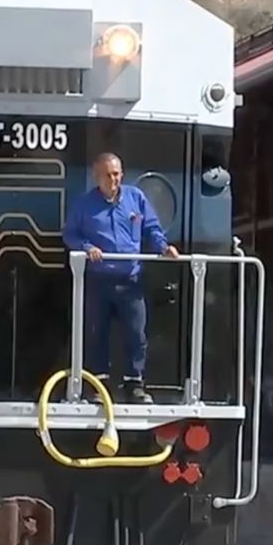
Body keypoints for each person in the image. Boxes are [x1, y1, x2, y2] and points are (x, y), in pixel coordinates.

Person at [63, 153, 179, 404]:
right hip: (98, 280)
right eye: (108, 174)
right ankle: (98, 386)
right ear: (97, 177)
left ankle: (134, 384)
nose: (113, 179)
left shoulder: (136, 198)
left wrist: (163, 247)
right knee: (96, 335)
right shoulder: (84, 204)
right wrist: (86, 246)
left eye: (117, 174)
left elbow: (152, 228)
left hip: (131, 280)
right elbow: (69, 234)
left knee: (136, 334)